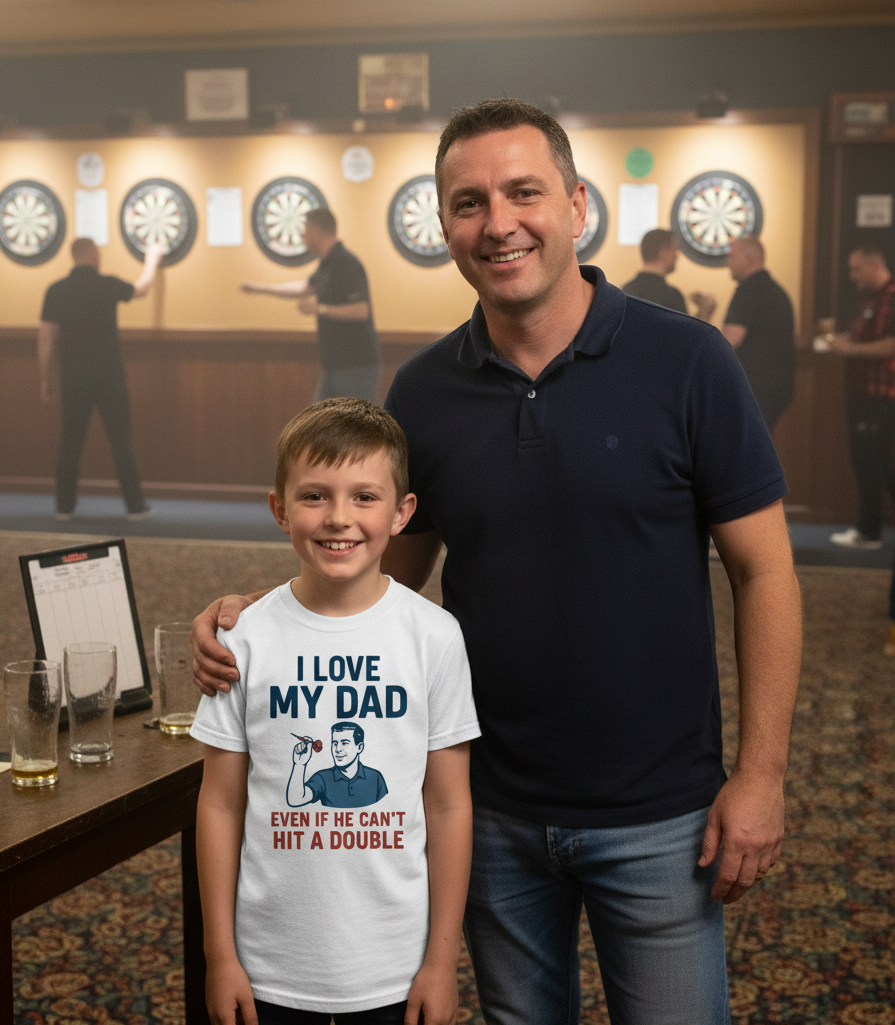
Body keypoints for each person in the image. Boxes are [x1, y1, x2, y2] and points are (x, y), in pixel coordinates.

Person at [194, 99, 802, 1025]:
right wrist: (259, 615)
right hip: (490, 808)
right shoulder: (425, 391)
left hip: (661, 811)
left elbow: (765, 572)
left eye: (524, 192)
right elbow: (375, 565)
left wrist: (760, 775)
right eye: (469, 202)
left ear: (576, 205)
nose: (498, 221)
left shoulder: (688, 361)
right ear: (445, 226)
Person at [190, 397, 479, 1025]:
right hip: (267, 966)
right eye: (315, 496)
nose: (339, 518)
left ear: (403, 513)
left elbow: (450, 804)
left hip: (395, 969)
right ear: (279, 509)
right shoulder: (242, 639)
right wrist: (220, 956)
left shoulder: (434, 637)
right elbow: (219, 802)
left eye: (364, 497)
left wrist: (440, 962)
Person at [38, 237, 165, 520]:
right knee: (121, 441)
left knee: (70, 442)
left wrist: (46, 377)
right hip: (110, 377)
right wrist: (152, 259)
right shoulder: (107, 285)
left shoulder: (56, 290)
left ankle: (63, 508)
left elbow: (46, 336)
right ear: (93, 255)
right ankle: (134, 507)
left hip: (73, 378)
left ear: (73, 257)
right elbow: (142, 288)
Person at [242, 208, 382, 403]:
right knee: (320, 427)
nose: (302, 235)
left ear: (317, 230)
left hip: (355, 366)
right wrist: (261, 288)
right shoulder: (327, 264)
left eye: (305, 229)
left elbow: (361, 311)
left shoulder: (346, 263)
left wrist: (319, 309)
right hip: (334, 365)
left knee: (354, 431)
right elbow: (303, 288)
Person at [827, 245, 895, 551]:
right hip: (861, 393)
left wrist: (851, 350)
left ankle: (869, 532)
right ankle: (867, 530)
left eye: (856, 269)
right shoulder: (869, 299)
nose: (853, 276)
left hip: (882, 394)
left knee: (877, 462)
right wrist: (846, 342)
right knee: (867, 460)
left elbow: (890, 345)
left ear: (872, 264)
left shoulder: (891, 296)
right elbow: (866, 338)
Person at [721, 236, 796, 433]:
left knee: (744, 452)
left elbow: (730, 340)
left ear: (749, 259)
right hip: (777, 388)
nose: (728, 262)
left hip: (755, 389)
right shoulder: (777, 292)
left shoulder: (748, 291)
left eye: (732, 257)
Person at [287, 721, 388, 808]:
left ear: (359, 747)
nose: (337, 749)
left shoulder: (375, 777)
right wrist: (299, 764)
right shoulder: (323, 778)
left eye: (344, 743)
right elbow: (295, 800)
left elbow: (388, 809)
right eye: (334, 743)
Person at [621, 227, 716, 319]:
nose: (677, 256)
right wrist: (704, 313)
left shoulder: (624, 291)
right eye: (675, 250)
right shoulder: (671, 296)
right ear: (663, 253)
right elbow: (684, 334)